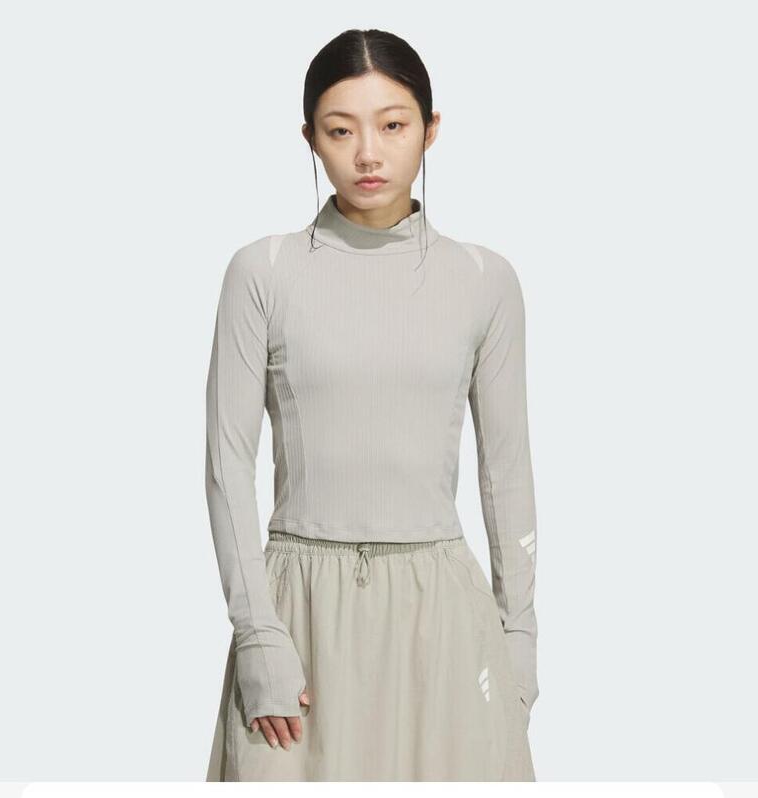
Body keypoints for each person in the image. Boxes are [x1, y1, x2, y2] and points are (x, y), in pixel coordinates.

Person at [204, 28, 539, 782]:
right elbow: (227, 465)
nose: (367, 154)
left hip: (443, 621)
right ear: (309, 138)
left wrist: (519, 639)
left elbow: (507, 474)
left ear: (430, 128)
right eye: (340, 130)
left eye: (392, 125)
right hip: (297, 616)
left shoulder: (484, 280)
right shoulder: (262, 272)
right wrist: (257, 634)